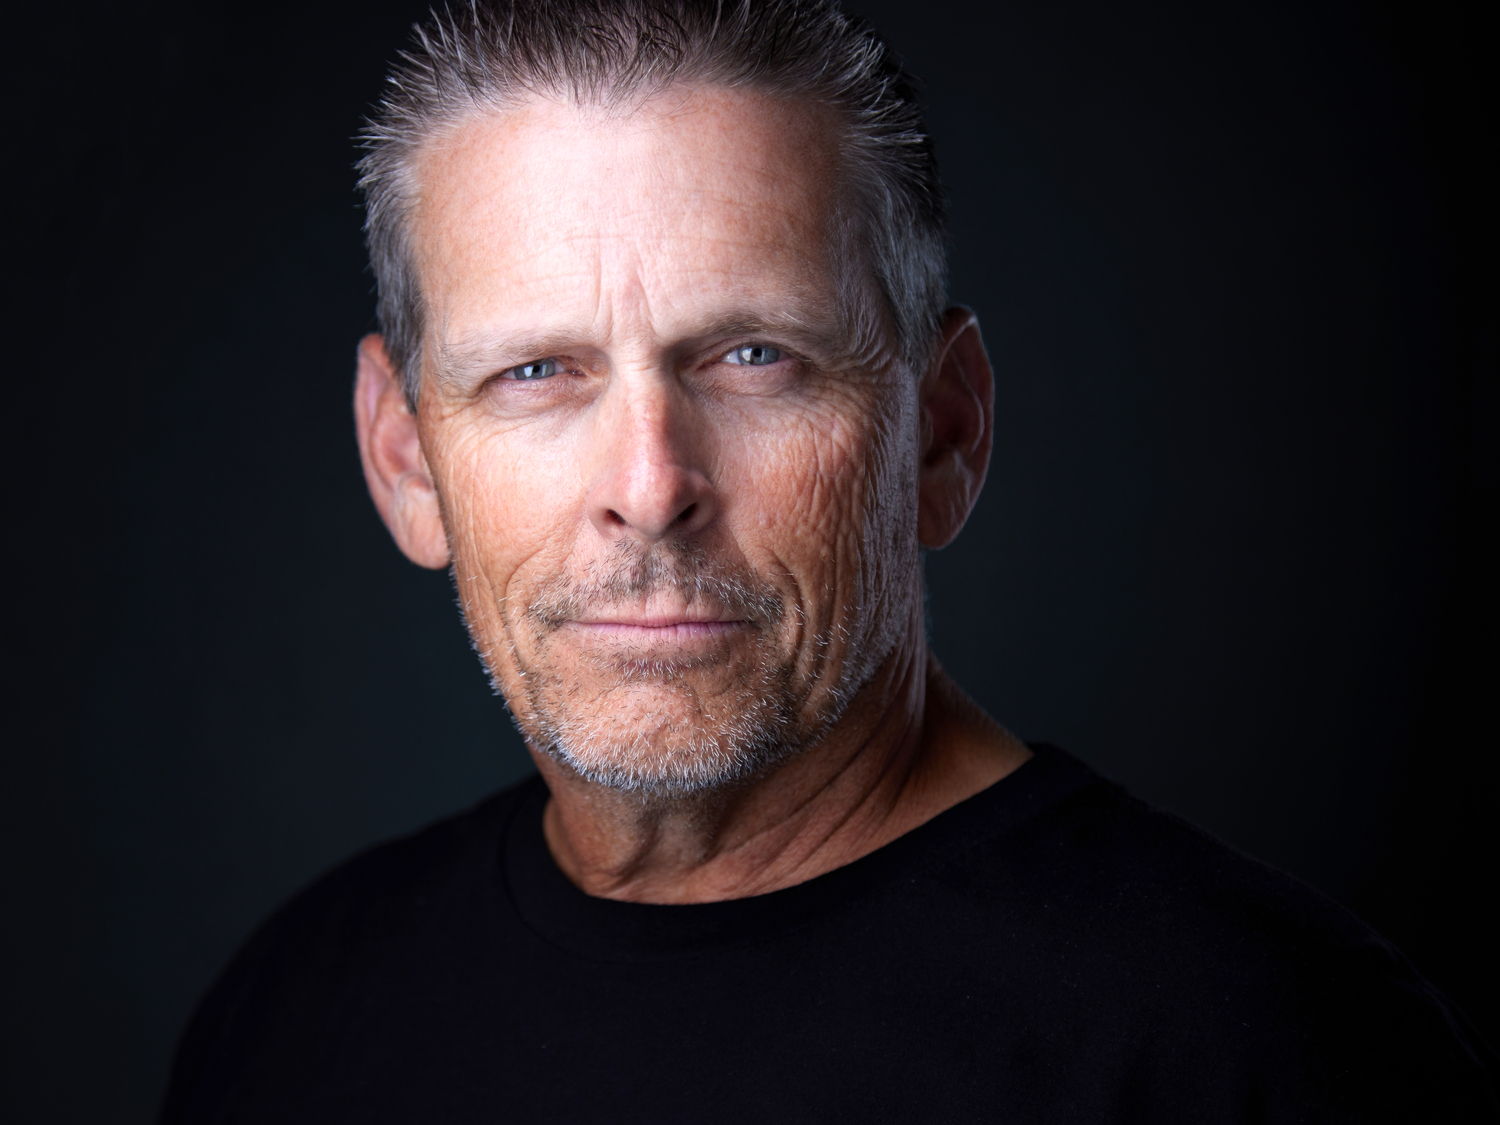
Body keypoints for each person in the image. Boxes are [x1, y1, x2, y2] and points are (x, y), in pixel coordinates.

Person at [162, 1, 1497, 1120]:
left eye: (754, 357)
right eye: (536, 372)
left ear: (942, 433)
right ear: (406, 458)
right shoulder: (293, 1014)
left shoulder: (1265, 1054)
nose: (650, 488)